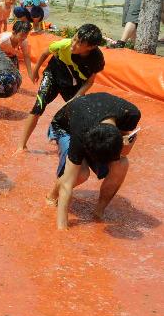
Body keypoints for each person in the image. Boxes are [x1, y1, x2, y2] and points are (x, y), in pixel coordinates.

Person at [46, 93, 140, 230]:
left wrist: (126, 144)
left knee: (121, 164)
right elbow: (68, 183)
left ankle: (99, 212)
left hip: (97, 126)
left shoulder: (131, 114)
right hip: (64, 128)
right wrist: (62, 228)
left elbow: (124, 151)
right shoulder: (80, 134)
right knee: (81, 173)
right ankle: (52, 195)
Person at [17, 24, 105, 151]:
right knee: (38, 106)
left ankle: (84, 146)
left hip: (72, 84)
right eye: (74, 38)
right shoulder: (64, 44)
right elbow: (45, 52)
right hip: (53, 74)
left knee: (82, 114)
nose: (74, 44)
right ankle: (21, 145)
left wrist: (77, 96)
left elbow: (90, 82)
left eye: (80, 43)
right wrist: (36, 70)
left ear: (91, 47)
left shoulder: (96, 60)